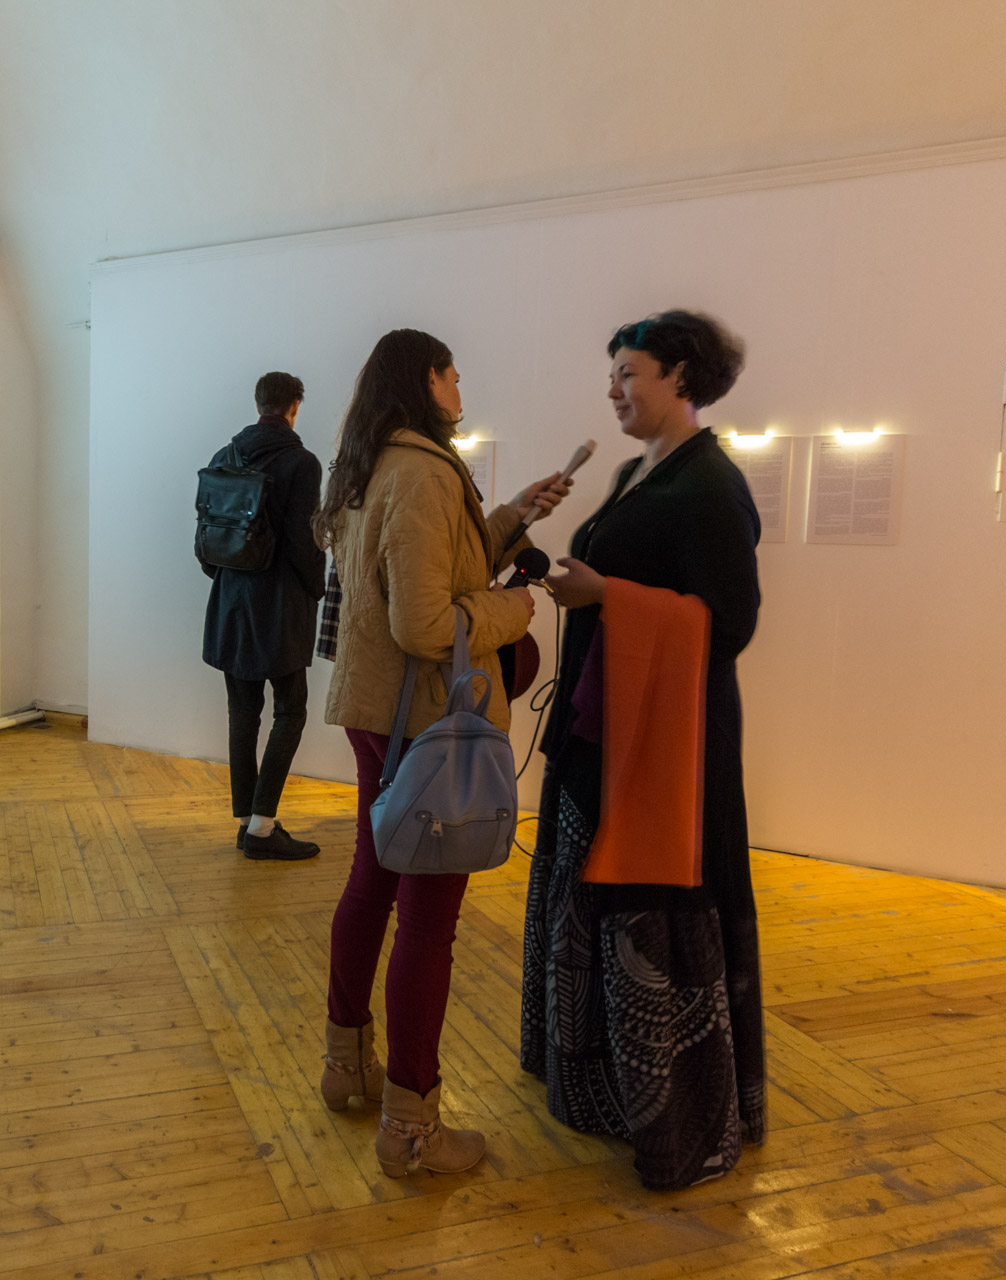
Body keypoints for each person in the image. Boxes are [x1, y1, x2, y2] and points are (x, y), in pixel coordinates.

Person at [315, 329, 571, 1176]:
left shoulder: (371, 465)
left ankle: (347, 1068)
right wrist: (513, 611)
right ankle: (411, 1128)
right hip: (428, 723)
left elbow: (433, 568)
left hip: (379, 713)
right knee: (428, 924)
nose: (462, 389)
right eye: (454, 376)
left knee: (371, 883)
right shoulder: (424, 473)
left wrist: (512, 516)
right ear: (426, 380)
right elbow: (426, 622)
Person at [525, 310, 764, 1191]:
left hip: (668, 740)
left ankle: (674, 1117)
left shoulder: (711, 486)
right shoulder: (638, 471)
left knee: (650, 905)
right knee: (593, 889)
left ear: (682, 377)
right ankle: (602, 1091)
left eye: (630, 373)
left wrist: (608, 597)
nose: (614, 389)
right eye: (613, 375)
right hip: (605, 720)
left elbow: (729, 626)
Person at [200, 371, 326, 861]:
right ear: (295, 406)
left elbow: (208, 538)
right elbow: (301, 542)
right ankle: (261, 827)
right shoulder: (301, 462)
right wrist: (315, 589)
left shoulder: (223, 456)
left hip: (231, 601)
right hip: (280, 606)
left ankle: (248, 822)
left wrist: (229, 577)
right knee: (290, 711)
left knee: (242, 712)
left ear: (258, 405)